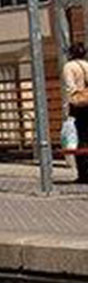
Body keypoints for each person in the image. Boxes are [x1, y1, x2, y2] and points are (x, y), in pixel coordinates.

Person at [62, 43, 88, 183]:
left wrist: (68, 107)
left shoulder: (69, 67)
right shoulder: (87, 65)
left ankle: (84, 173)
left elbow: (70, 88)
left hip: (79, 105)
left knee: (80, 137)